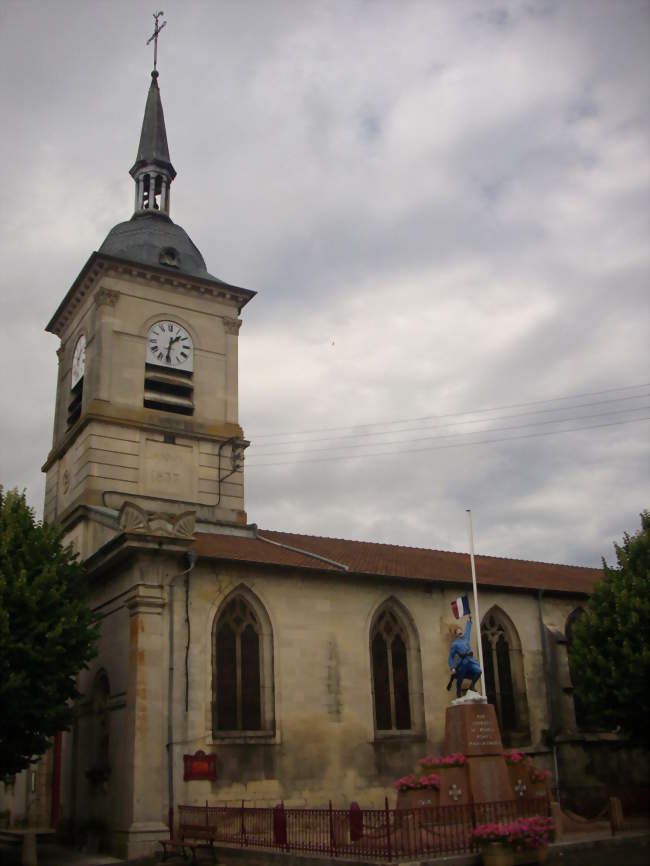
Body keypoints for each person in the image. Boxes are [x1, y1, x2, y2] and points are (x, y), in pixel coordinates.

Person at [448, 615, 482, 698]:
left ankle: (472, 686)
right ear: (456, 635)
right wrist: (452, 667)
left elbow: (468, 629)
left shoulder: (466, 638)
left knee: (478, 671)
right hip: (463, 662)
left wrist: (469, 620)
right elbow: (451, 656)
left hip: (470, 660)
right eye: (459, 633)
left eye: (461, 632)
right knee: (460, 678)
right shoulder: (455, 644)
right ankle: (458, 691)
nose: (461, 634)